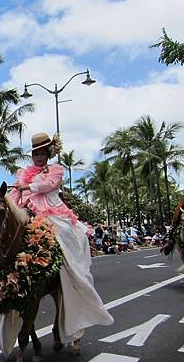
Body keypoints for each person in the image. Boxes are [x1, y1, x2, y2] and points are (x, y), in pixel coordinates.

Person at [10, 132, 113, 344]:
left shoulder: (55, 170)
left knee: (65, 232)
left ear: (48, 154)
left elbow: (50, 185)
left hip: (51, 211)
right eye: (35, 154)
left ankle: (71, 269)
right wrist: (13, 208)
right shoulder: (22, 173)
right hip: (26, 211)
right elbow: (14, 195)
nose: (38, 158)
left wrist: (28, 187)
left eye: (41, 154)